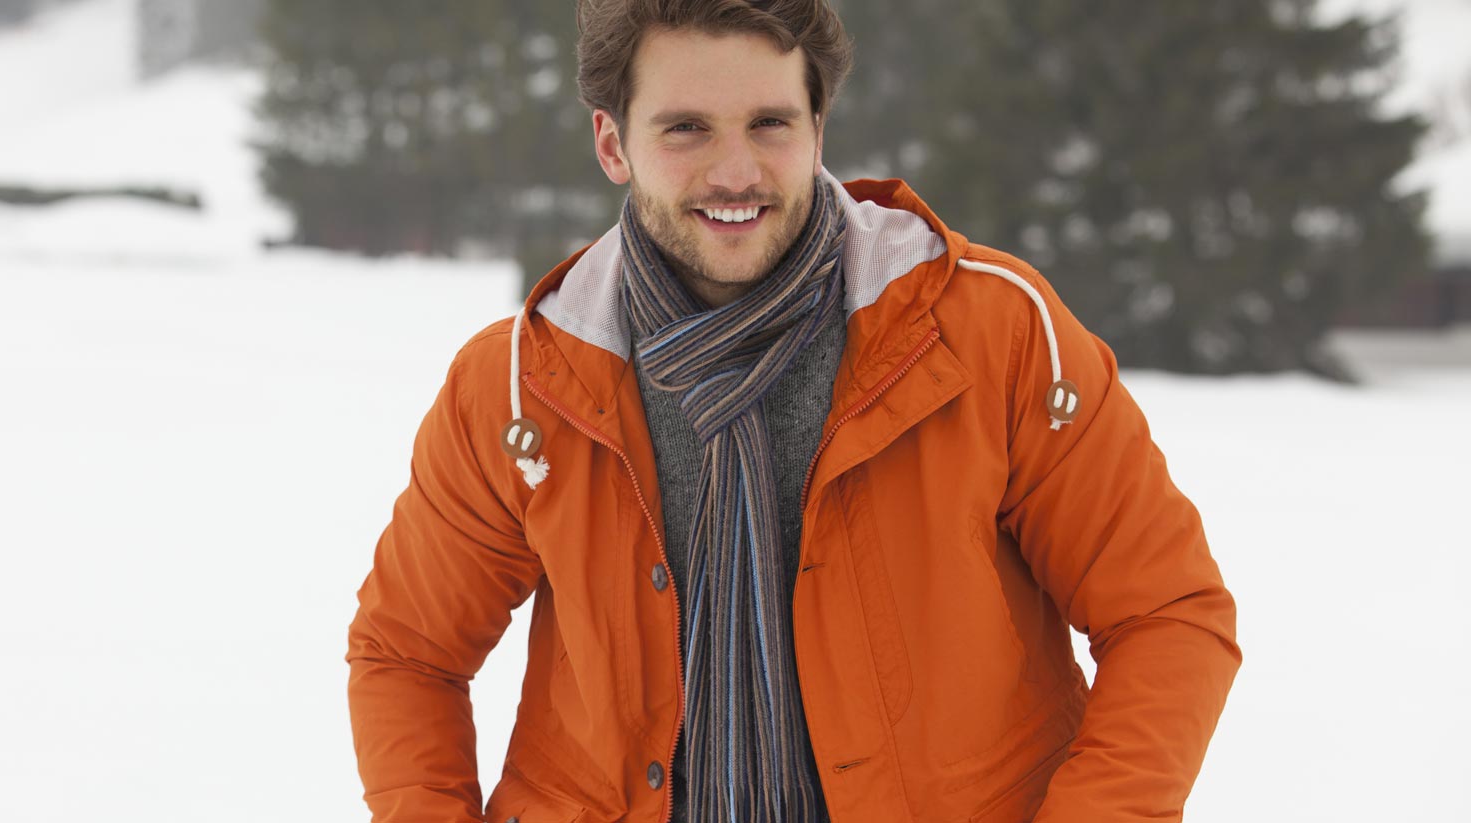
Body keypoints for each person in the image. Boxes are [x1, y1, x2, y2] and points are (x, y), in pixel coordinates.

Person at [346, 1, 1241, 821]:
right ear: (613, 143)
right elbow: (406, 652)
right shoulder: (519, 387)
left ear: (819, 128)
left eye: (770, 123)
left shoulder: (990, 333)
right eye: (686, 128)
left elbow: (1166, 613)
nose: (735, 172)